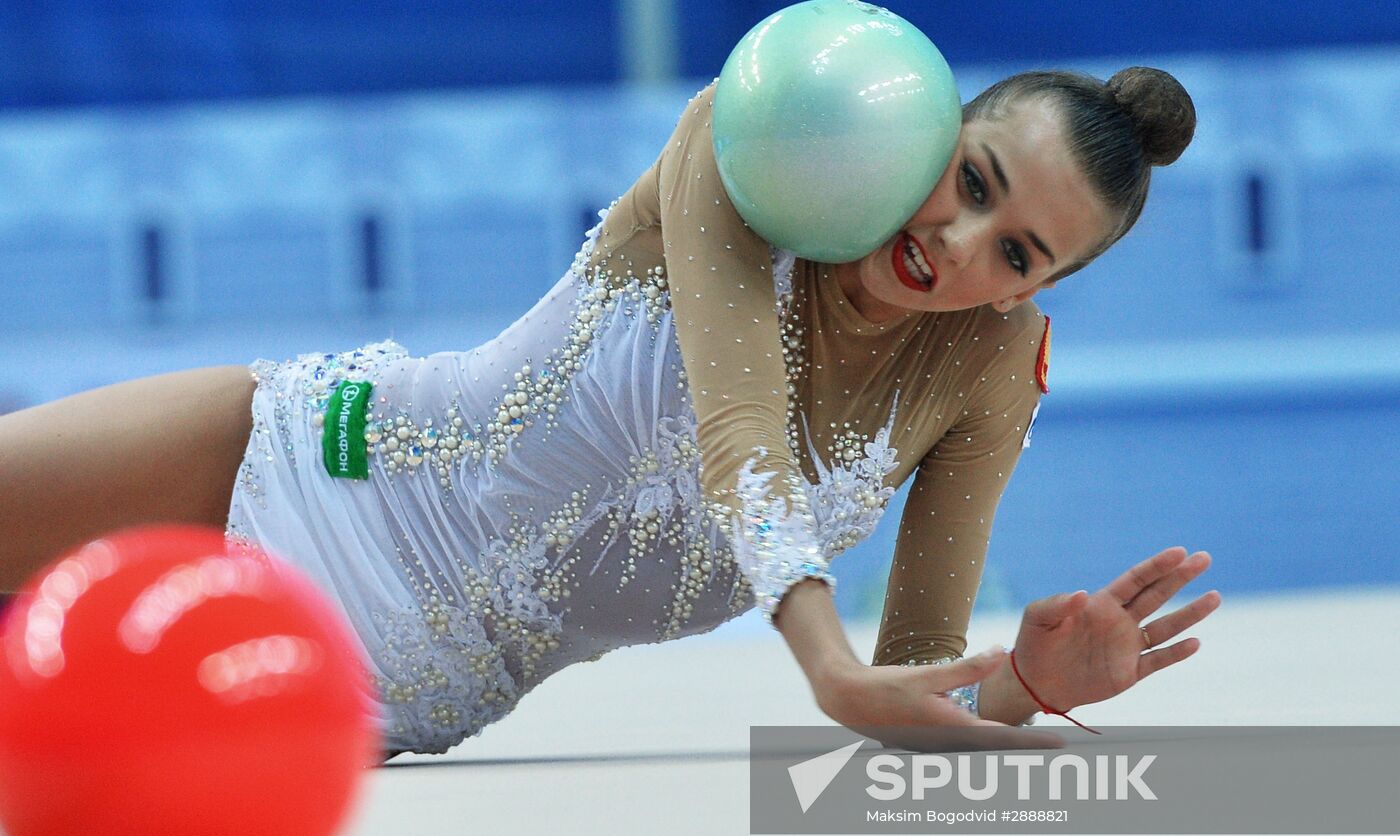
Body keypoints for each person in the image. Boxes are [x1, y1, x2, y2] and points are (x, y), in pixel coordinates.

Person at [0, 66, 1219, 760]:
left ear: (1040, 290)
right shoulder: (754, 154)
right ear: (935, 132)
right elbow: (738, 431)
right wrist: (825, 666)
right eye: (969, 179)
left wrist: (1017, 682)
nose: (953, 243)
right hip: (286, 458)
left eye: (1013, 253)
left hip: (356, 694)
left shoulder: (990, 368)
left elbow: (907, 681)